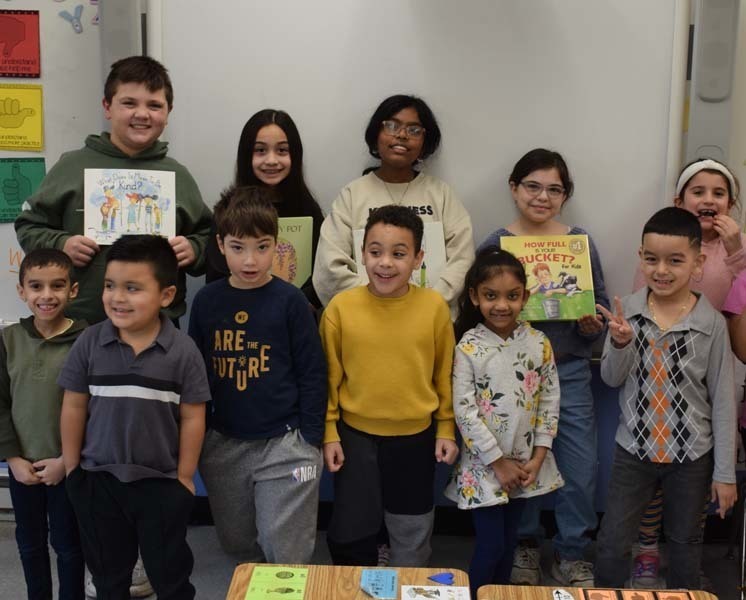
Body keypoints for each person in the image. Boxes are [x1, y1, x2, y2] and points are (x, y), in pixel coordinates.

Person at [479, 148, 608, 586]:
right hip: (511, 376)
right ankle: (525, 545)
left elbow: (600, 308)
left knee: (578, 466)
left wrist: (593, 324)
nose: (542, 196)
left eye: (554, 189)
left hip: (569, 369)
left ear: (565, 195)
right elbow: (476, 310)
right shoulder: (496, 244)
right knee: (522, 462)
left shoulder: (579, 243)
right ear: (514, 189)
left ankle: (572, 553)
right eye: (532, 186)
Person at [58, 235, 209, 600]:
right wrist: (72, 468)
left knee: (169, 574)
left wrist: (185, 478)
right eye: (110, 286)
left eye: (132, 288)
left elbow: (192, 416)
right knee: (109, 577)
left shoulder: (183, 351)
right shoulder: (90, 343)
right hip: (98, 481)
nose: (117, 297)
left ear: (167, 296)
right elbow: (74, 406)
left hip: (160, 483)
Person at [595, 206, 737, 589]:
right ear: (641, 257)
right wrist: (621, 343)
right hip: (634, 451)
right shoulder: (629, 313)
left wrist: (724, 474)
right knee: (611, 542)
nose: (662, 270)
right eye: (652, 259)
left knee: (686, 543)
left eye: (675, 261)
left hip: (691, 455)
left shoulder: (711, 324)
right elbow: (610, 378)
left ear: (697, 262)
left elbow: (723, 401)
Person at [15, 55, 212, 326]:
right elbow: (29, 226)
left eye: (154, 105)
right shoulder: (71, 167)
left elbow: (211, 236)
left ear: (168, 112)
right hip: (80, 329)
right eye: (129, 103)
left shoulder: (178, 175)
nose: (142, 114)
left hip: (158, 332)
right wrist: (62, 244)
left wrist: (194, 248)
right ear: (107, 107)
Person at [189, 185, 326, 563]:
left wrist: (310, 439)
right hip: (224, 443)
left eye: (262, 247)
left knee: (286, 547)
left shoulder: (292, 302)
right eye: (238, 247)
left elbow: (313, 372)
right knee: (236, 541)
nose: (250, 260)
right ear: (220, 245)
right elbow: (195, 374)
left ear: (277, 245)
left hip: (288, 445)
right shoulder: (206, 301)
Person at [320, 204, 459, 566]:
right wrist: (329, 433)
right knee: (353, 525)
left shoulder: (434, 308)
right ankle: (352, 583)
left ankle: (407, 580)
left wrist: (446, 427)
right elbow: (329, 379)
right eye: (375, 252)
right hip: (354, 434)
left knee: (411, 524)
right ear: (361, 254)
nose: (385, 263)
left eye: (399, 254)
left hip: (416, 435)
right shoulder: (340, 308)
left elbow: (443, 374)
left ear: (418, 259)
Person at [628, 158, 744, 587]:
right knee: (653, 474)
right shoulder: (665, 246)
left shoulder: (737, 249)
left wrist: (736, 251)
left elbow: (741, 299)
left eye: (718, 193)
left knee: (699, 467)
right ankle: (645, 551)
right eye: (698, 192)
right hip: (661, 375)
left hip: (714, 371)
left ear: (731, 204)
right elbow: (645, 298)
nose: (708, 200)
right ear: (680, 200)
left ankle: (686, 557)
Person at [444, 247, 563, 597]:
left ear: (525, 296)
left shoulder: (539, 342)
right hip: (485, 466)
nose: (501, 305)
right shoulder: (468, 347)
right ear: (474, 297)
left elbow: (550, 401)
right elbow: (464, 411)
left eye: (512, 296)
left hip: (526, 464)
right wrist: (497, 462)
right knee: (491, 545)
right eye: (491, 296)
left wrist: (538, 458)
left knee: (510, 543)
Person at [312, 94, 474, 315]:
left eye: (414, 130)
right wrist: (376, 302)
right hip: (365, 319)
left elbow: (462, 260)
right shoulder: (353, 194)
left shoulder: (440, 194)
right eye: (392, 126)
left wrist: (429, 303)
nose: (402, 135)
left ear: (425, 141)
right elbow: (329, 267)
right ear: (376, 134)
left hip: (428, 320)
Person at [0, 249, 87, 600]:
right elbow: (1, 404)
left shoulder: (87, 341)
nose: (46, 295)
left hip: (67, 466)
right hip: (23, 467)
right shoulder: (8, 341)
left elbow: (94, 408)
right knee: (30, 542)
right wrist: (14, 459)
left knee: (68, 545)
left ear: (74, 290)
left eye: (57, 286)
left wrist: (67, 461)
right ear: (22, 291)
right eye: (36, 286)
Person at [204, 109, 325, 305]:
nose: (271, 160)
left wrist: (296, 304)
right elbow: (216, 276)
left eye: (282, 150)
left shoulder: (308, 211)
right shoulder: (230, 211)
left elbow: (322, 274)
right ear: (246, 155)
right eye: (260, 150)